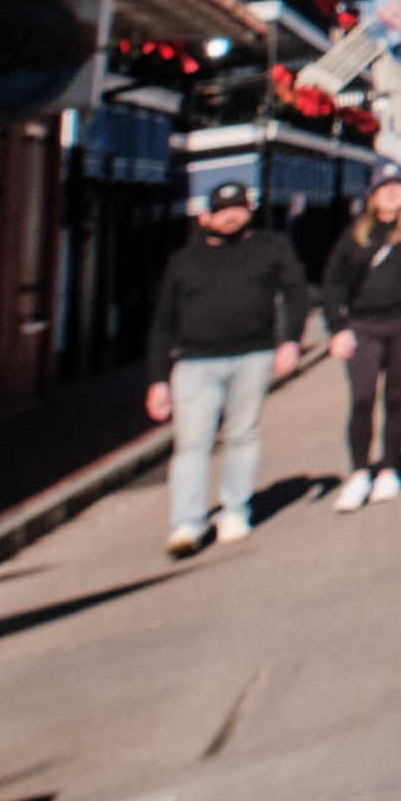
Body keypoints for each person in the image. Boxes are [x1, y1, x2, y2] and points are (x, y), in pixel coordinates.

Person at [140, 181, 317, 559]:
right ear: (206, 216)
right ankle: (186, 522)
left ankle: (235, 510)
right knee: (191, 443)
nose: (230, 215)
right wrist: (158, 380)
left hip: (252, 356)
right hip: (194, 362)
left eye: (237, 207)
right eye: (222, 209)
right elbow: (162, 324)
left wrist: (290, 340)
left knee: (243, 435)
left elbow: (297, 291)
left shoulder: (271, 247)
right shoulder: (184, 261)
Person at [322, 171, 401, 504]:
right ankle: (360, 472)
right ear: (372, 196)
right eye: (383, 188)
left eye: (397, 187)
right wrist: (337, 328)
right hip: (363, 325)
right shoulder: (357, 233)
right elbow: (334, 281)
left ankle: (390, 467)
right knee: (362, 399)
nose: (391, 193)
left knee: (396, 397)